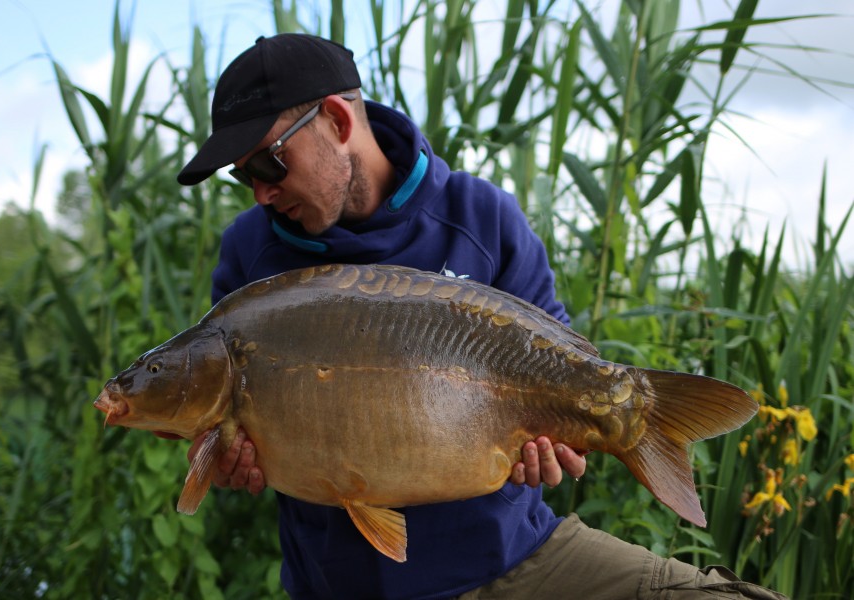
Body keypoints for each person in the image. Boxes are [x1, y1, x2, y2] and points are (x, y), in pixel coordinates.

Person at [175, 33, 786, 600]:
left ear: (337, 120)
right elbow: (219, 437)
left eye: (268, 164)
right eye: (241, 176)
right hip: (345, 584)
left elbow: (568, 381)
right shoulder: (251, 259)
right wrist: (225, 462)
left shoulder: (481, 217)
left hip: (513, 561)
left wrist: (561, 447)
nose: (259, 192)